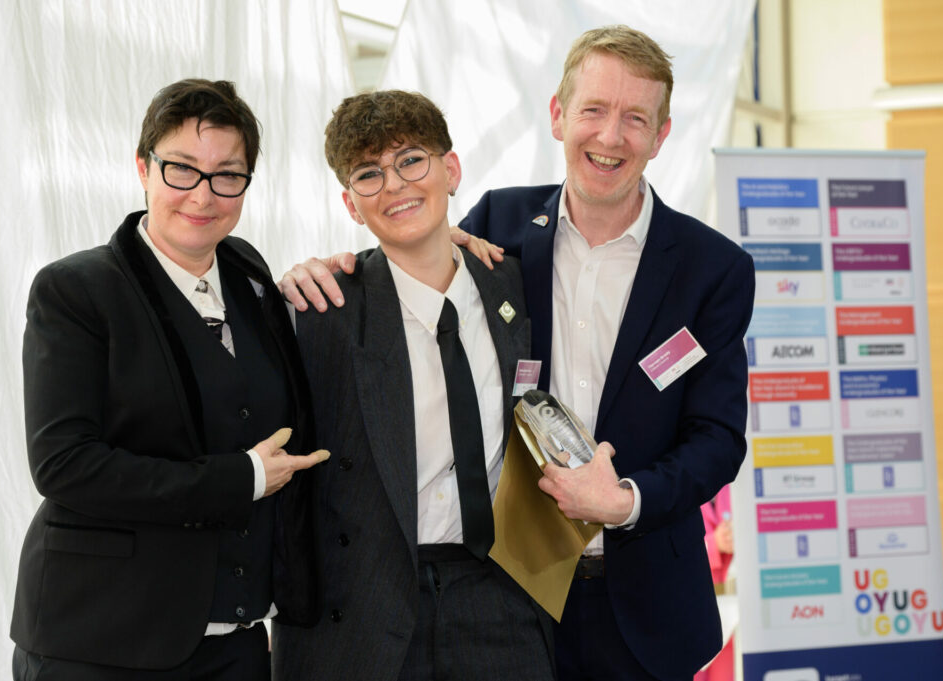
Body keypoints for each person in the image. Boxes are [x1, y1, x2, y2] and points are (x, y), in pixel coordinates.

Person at [278, 25, 755, 681]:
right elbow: (412, 250)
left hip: (645, 601)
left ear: (662, 134)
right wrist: (329, 268)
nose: (610, 137)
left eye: (634, 118)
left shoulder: (713, 269)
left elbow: (718, 437)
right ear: (559, 116)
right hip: (517, 591)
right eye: (593, 110)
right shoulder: (501, 228)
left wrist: (625, 499)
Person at [10, 78, 329, 681]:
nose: (203, 195)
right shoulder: (75, 290)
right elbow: (63, 465)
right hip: (100, 640)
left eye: (227, 174)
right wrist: (242, 478)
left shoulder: (248, 273)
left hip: (235, 644)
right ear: (143, 168)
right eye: (182, 169)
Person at [272, 90, 554, 681]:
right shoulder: (321, 309)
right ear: (351, 205)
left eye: (411, 160)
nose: (395, 186)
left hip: (501, 594)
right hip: (364, 609)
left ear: (450, 170)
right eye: (369, 175)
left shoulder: (515, 285)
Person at [696, 486, 735, 681]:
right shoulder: (680, 486)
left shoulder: (735, 487)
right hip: (695, 607)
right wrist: (714, 544)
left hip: (733, 608)